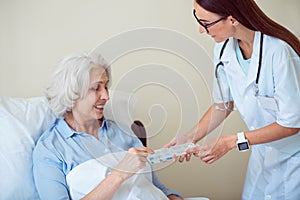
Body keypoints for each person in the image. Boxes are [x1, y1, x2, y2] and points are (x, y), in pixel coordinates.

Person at [165, 0, 300, 199]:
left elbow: (291, 124)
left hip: (294, 159)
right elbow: (223, 104)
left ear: (232, 19)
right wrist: (189, 138)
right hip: (262, 157)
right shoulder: (223, 50)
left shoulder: (279, 52)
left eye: (206, 23)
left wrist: (231, 142)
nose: (201, 30)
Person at [33, 51, 183, 200]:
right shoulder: (51, 149)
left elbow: (156, 188)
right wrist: (120, 174)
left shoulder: (123, 133)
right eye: (96, 88)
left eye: (106, 87)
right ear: (72, 93)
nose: (106, 96)